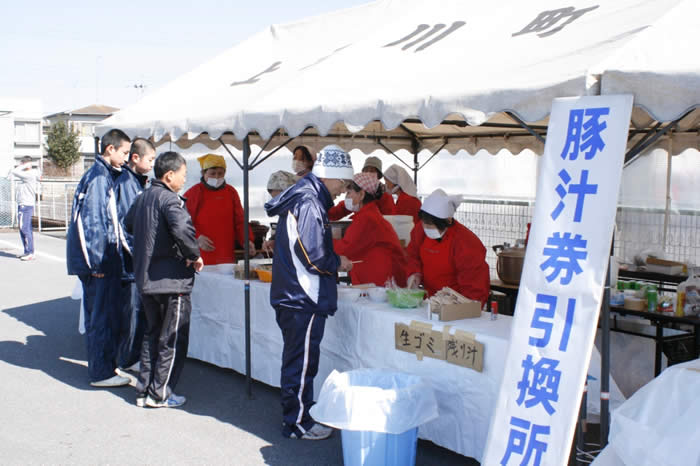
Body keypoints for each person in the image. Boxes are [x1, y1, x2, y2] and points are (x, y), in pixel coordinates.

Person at [264, 144, 354, 440]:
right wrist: (337, 262)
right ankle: (298, 421)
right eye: (342, 182)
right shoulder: (310, 201)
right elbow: (313, 255)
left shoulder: (304, 195)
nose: (343, 190)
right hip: (303, 296)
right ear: (330, 176)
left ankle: (298, 413)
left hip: (294, 294)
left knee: (297, 359)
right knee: (301, 361)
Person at [124, 151, 203, 408]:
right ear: (169, 175)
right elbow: (183, 230)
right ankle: (160, 393)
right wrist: (194, 254)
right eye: (183, 175)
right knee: (172, 338)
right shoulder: (171, 200)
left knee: (152, 335)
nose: (184, 180)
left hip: (147, 278)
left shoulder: (143, 196)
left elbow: (128, 224)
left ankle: (145, 389)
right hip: (172, 280)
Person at [66, 128, 132, 387]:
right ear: (110, 149)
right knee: (101, 317)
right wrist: (97, 262)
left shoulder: (103, 175)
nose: (126, 158)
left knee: (105, 314)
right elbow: (93, 222)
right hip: (98, 261)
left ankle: (107, 368)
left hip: (102, 259)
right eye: (124, 153)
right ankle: (101, 373)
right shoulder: (99, 178)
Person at [405, 189, 490, 305]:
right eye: (425, 223)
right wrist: (414, 274)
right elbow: (412, 255)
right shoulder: (420, 230)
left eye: (432, 225)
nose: (427, 228)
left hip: (456, 303)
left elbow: (474, 287)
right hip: (430, 300)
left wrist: (463, 306)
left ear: (448, 221)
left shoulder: (466, 242)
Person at [114, 138, 156, 372]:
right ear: (135, 158)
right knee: (132, 312)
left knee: (137, 311)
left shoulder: (139, 182)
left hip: (136, 262)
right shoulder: (127, 183)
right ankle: (127, 359)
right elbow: (126, 225)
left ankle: (131, 356)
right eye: (150, 159)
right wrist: (140, 255)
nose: (152, 164)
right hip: (129, 263)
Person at [333, 172, 407, 286]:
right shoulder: (368, 214)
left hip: (382, 279)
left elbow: (344, 248)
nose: (346, 197)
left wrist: (322, 241)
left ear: (362, 194)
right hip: (379, 276)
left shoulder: (367, 219)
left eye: (349, 193)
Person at [184, 154, 255, 265]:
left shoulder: (231, 192)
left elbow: (240, 221)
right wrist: (197, 237)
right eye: (212, 173)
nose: (216, 177)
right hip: (200, 255)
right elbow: (183, 222)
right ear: (203, 173)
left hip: (226, 254)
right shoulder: (194, 193)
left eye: (220, 173)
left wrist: (247, 240)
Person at [328, 156, 394, 220]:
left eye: (372, 171)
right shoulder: (357, 191)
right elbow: (338, 211)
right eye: (366, 170)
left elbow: (389, 218)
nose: (368, 173)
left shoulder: (386, 195)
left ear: (378, 176)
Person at [9, 156, 40, 261]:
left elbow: (14, 171)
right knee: (25, 228)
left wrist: (25, 166)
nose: (21, 165)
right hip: (23, 204)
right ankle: (27, 251)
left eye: (22, 163)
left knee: (24, 228)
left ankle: (30, 252)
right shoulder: (28, 174)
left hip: (26, 205)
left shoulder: (29, 174)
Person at [262, 170, 298, 254]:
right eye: (274, 199)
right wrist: (273, 240)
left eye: (279, 198)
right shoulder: (284, 214)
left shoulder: (302, 211)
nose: (276, 203)